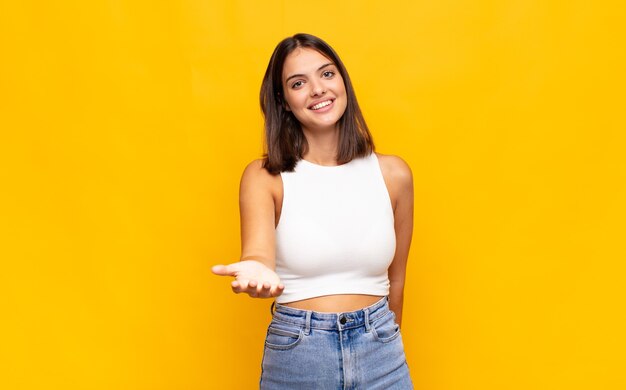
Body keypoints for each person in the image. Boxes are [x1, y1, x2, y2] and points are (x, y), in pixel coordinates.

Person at [212, 33, 414, 389]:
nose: (317, 89)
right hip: (300, 353)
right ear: (284, 101)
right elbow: (258, 254)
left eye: (326, 74)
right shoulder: (265, 177)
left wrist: (388, 340)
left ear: (342, 82)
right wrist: (256, 269)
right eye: (298, 83)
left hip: (381, 349)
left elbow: (396, 279)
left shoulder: (393, 174)